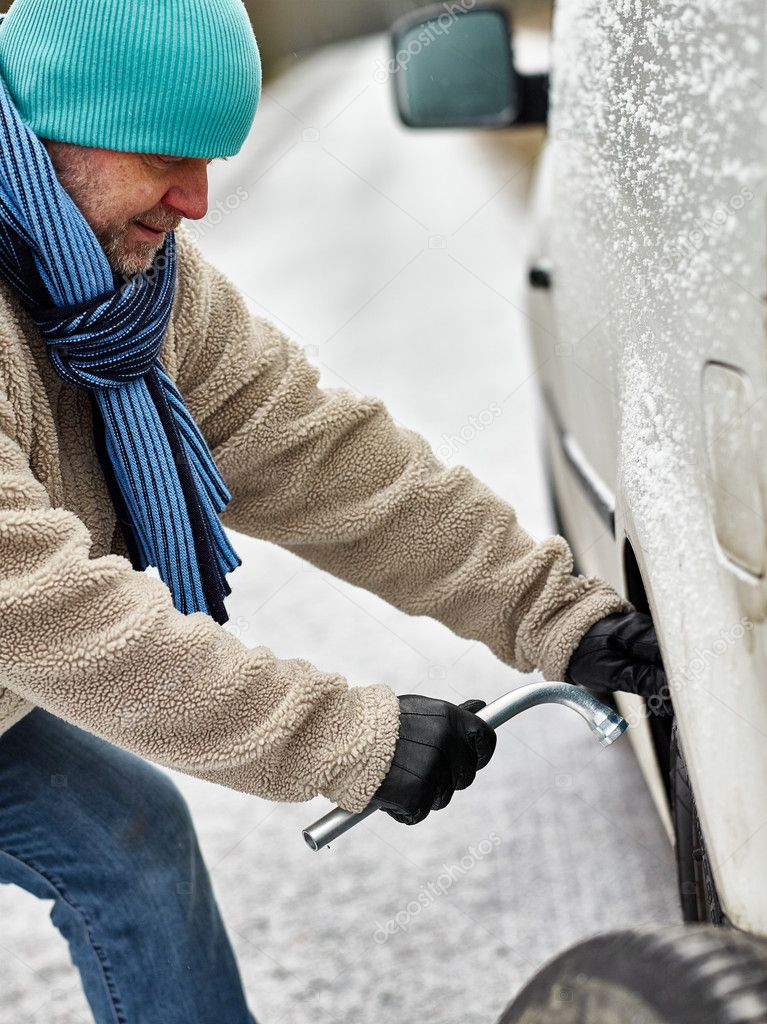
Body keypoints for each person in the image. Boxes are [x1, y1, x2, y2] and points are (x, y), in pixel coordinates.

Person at [0, 0, 668, 1021]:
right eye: (164, 156)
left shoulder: (136, 297)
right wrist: (342, 735)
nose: (196, 199)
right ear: (53, 128)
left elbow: (324, 456)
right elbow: (39, 606)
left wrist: (553, 614)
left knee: (131, 845)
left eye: (215, 158)